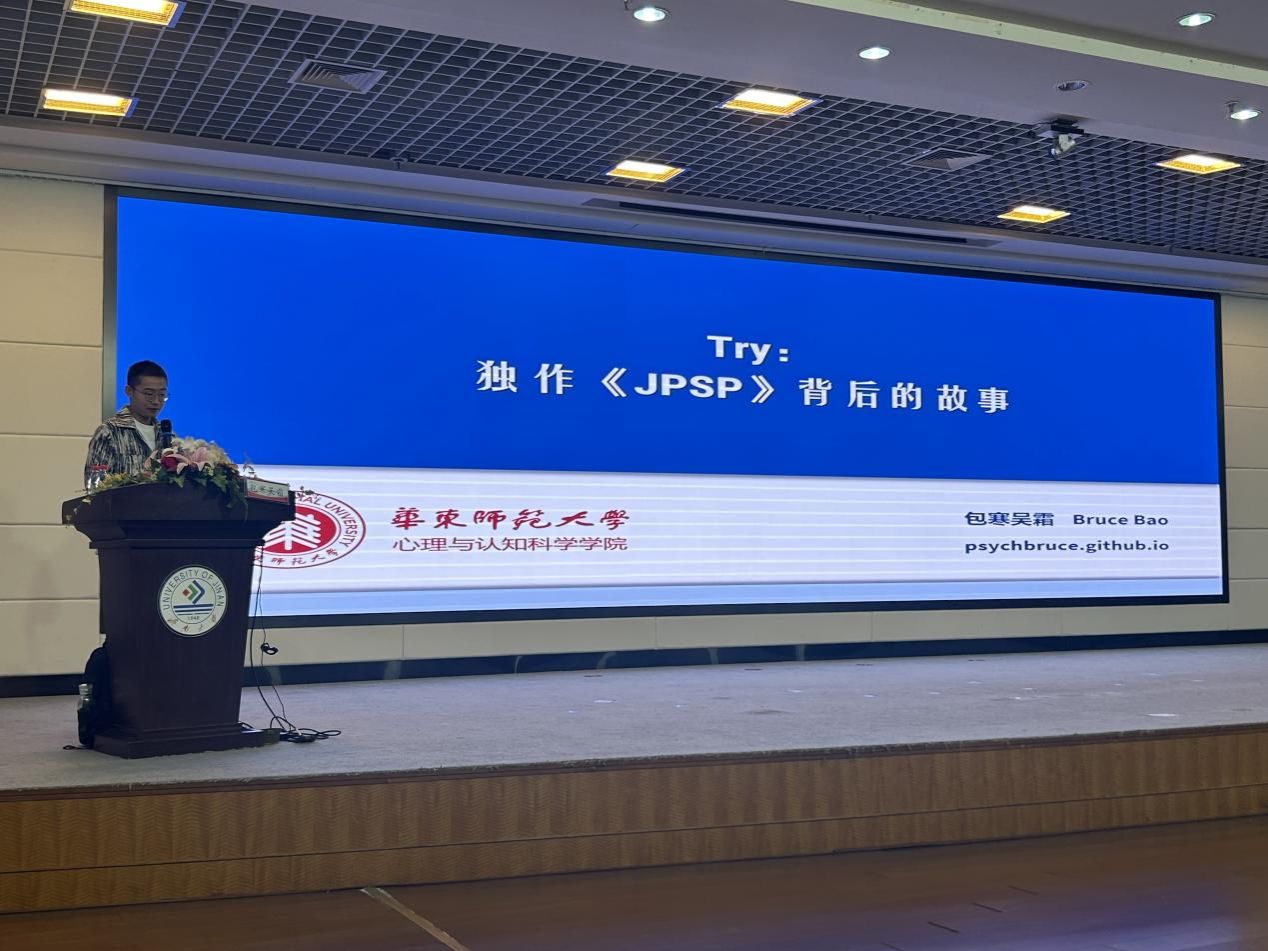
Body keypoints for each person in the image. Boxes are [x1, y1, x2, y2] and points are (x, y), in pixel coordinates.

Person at [83, 360, 169, 485]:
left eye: (161, 395)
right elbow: (94, 484)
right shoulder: (109, 431)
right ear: (129, 391)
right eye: (149, 394)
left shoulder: (166, 434)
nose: (156, 401)